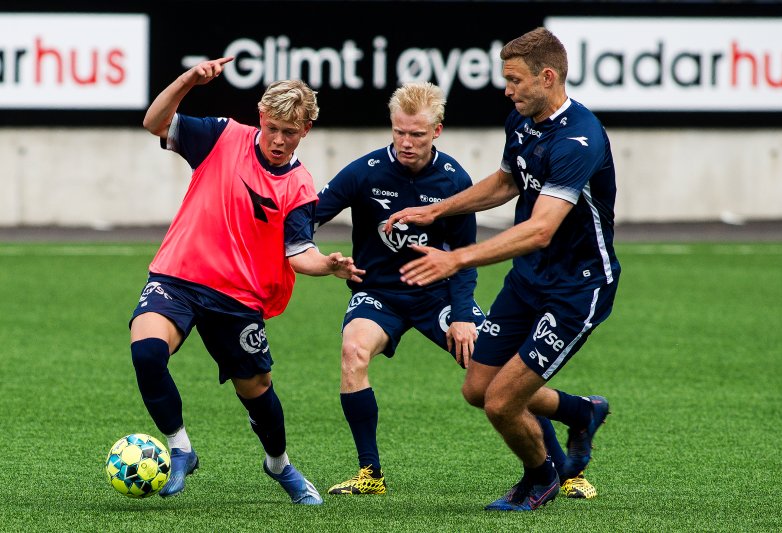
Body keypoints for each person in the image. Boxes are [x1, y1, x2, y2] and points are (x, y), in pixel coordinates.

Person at [315, 81, 593, 499]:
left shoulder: (454, 182)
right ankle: (369, 474)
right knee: (353, 352)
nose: (406, 142)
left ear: (437, 132)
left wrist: (462, 315)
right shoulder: (363, 171)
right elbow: (306, 218)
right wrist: (324, 261)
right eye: (399, 132)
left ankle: (566, 471)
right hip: (381, 296)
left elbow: (464, 258)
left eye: (417, 134)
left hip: (439, 297)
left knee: (503, 381)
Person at [385, 27, 619, 511]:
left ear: (547, 76)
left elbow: (540, 230)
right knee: (477, 388)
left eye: (514, 80)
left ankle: (540, 478)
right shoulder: (522, 120)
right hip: (528, 280)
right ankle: (581, 412)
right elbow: (507, 181)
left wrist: (456, 258)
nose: (507, 89)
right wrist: (436, 211)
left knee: (501, 402)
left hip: (577, 288)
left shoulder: (580, 139)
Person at [132, 56, 364, 505]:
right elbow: (153, 121)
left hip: (238, 298)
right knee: (146, 352)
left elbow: (300, 254)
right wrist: (187, 81)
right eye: (273, 127)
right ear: (261, 118)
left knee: (256, 390)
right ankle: (180, 449)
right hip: (178, 276)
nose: (278, 140)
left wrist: (330, 265)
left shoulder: (299, 186)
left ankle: (279, 464)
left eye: (290, 132)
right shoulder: (223, 136)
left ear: (306, 131)